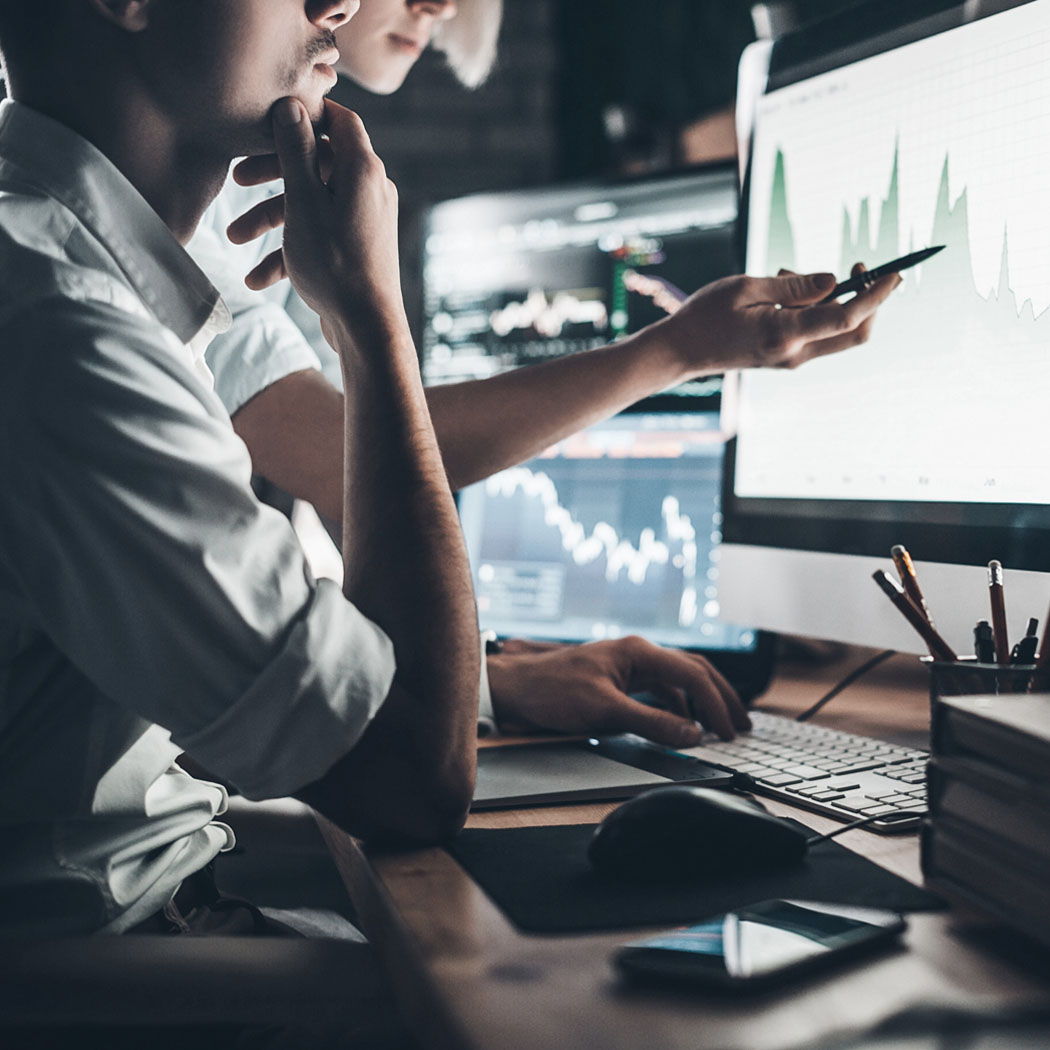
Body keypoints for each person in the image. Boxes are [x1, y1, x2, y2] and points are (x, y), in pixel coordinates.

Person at [0, 0, 898, 938]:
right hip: (96, 963)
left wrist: (491, 682)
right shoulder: (65, 331)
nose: (336, 6)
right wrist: (368, 315)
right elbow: (407, 782)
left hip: (159, 881)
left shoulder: (96, 267)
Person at [190, 0, 896, 748]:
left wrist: (491, 683)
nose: (440, 6)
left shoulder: (260, 192)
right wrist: (680, 349)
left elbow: (350, 454)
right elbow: (340, 452)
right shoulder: (198, 214)